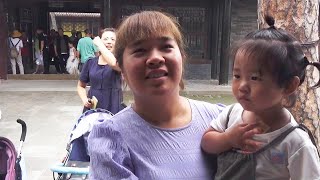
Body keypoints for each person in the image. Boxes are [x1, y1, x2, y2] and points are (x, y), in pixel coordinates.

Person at [87, 11, 225, 179]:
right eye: (140, 50)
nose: (155, 58)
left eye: (166, 47)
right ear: (121, 68)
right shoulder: (111, 140)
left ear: (182, 57)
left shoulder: (220, 120)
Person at [201, 15, 320, 180]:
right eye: (236, 75)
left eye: (255, 78)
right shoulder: (231, 114)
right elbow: (206, 143)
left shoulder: (295, 143)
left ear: (289, 85)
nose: (242, 85)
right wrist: (228, 139)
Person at [77, 28, 123, 114]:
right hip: (94, 108)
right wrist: (85, 100)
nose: (109, 42)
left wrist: (100, 45)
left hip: (114, 107)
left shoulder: (120, 61)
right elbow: (80, 86)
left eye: (113, 39)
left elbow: (113, 64)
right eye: (105, 39)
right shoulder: (90, 62)